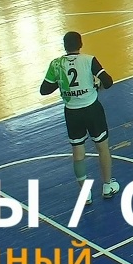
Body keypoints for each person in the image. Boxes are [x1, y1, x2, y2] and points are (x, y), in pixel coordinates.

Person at [40, 31, 119, 203]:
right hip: (92, 109)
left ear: (64, 46)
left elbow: (44, 90)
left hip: (72, 113)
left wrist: (62, 83)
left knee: (78, 153)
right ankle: (107, 185)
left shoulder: (56, 64)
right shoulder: (89, 60)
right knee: (102, 148)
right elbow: (108, 81)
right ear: (80, 44)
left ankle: (85, 193)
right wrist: (96, 85)